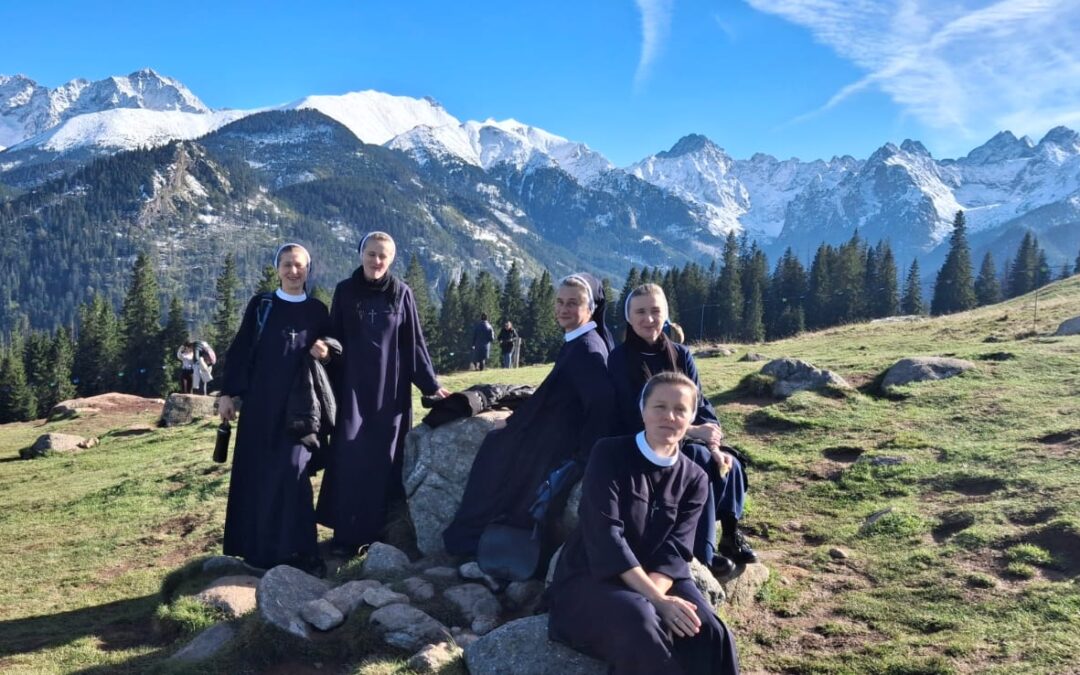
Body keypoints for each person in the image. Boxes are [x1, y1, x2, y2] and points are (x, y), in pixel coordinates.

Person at [547, 372, 741, 674]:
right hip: (593, 573)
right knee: (641, 621)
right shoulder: (609, 453)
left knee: (711, 633)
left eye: (680, 410)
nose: (669, 417)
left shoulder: (695, 477)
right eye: (659, 407)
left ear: (691, 418)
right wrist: (655, 600)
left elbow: (675, 551)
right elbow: (605, 535)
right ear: (643, 410)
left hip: (661, 577)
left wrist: (660, 596)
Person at [443, 273, 616, 557]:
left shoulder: (586, 348)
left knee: (496, 453)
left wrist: (583, 453)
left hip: (560, 438)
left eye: (573, 303)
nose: (563, 309)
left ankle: (471, 539)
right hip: (556, 428)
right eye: (559, 302)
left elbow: (601, 403)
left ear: (591, 308)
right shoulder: (581, 339)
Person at [312, 231, 449, 556]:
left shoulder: (401, 294)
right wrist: (327, 356)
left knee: (386, 461)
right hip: (352, 393)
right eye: (371, 254)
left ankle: (383, 535)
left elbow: (414, 344)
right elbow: (335, 339)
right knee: (350, 459)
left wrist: (430, 386)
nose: (376, 261)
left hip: (391, 396)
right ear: (362, 254)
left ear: (391, 260)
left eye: (383, 256)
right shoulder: (345, 292)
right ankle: (347, 538)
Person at [609, 284, 756, 578]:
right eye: (641, 312)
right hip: (647, 439)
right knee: (697, 463)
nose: (649, 319)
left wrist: (713, 439)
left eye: (655, 311)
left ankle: (730, 533)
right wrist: (692, 433)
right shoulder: (620, 359)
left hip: (686, 434)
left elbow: (699, 401)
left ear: (665, 315)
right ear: (629, 317)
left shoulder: (680, 354)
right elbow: (635, 413)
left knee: (731, 463)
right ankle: (702, 551)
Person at [217, 243, 328, 574]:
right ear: (277, 268)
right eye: (287, 265)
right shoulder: (261, 306)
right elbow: (240, 350)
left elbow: (336, 350)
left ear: (309, 269)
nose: (293, 271)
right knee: (259, 476)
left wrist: (327, 350)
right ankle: (259, 553)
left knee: (294, 475)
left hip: (300, 409)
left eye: (299, 265)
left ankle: (301, 552)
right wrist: (227, 395)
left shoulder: (318, 311)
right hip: (260, 408)